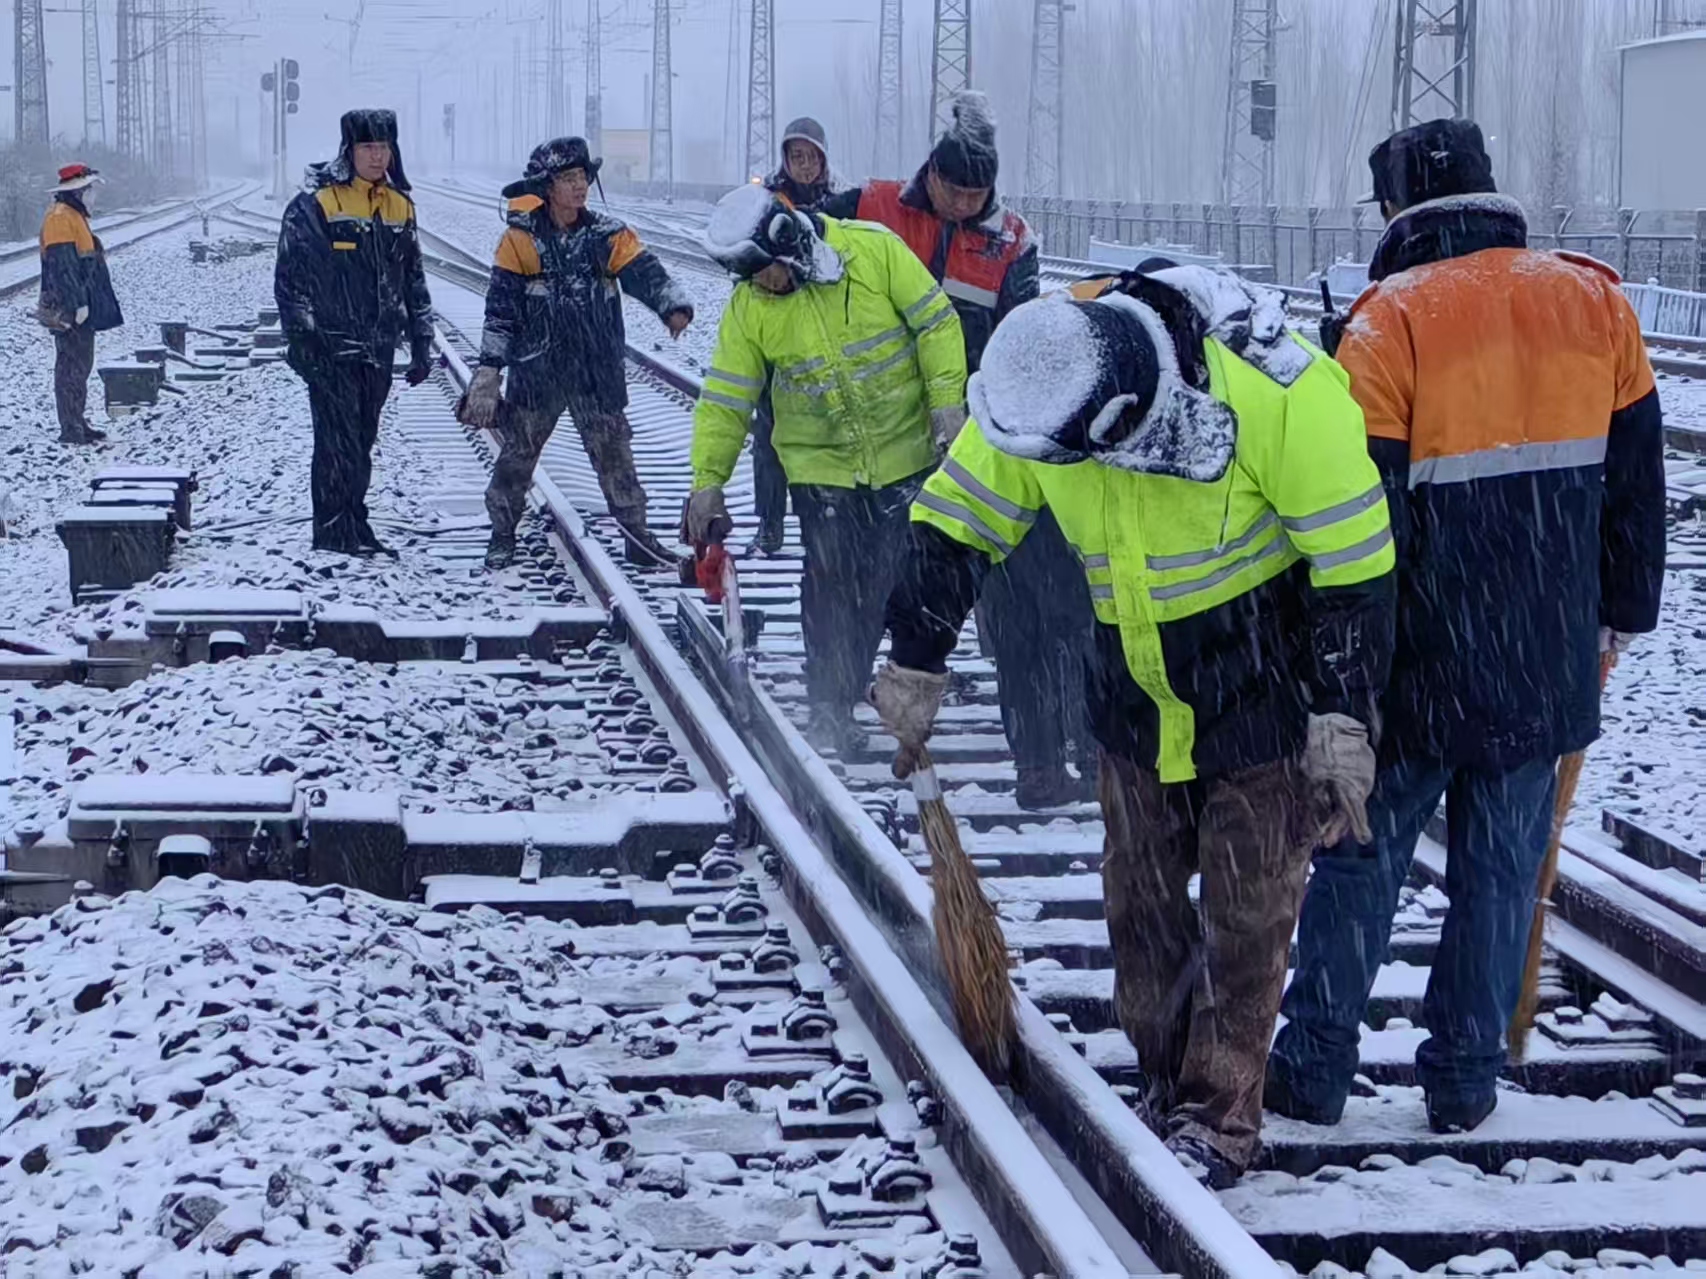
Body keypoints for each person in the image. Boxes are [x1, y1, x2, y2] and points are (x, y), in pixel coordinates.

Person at [873, 271, 1397, 1187]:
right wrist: (917, 653)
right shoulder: (1041, 394)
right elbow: (956, 525)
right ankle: (1165, 1081)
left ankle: (1219, 1118)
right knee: (1141, 911)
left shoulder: (1278, 393)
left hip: (1262, 685)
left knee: (1247, 920)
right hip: (1134, 696)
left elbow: (1354, 568)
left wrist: (1344, 715)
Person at [1267, 120, 1668, 1135]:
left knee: (1361, 858)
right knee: (1499, 875)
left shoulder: (1386, 322)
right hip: (1544, 653)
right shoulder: (1595, 302)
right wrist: (1619, 616)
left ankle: (1312, 1069)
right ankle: (1463, 1080)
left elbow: (1359, 521)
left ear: (1394, 208)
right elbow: (1636, 483)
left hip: (1418, 659)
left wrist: (1343, 673)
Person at [823, 91, 1087, 810]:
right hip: (880, 428)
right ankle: (841, 699)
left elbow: (1019, 332)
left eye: (978, 194)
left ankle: (1046, 752)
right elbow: (805, 235)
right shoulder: (873, 206)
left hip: (974, 431)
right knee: (871, 576)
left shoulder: (1011, 241)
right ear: (931, 175)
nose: (966, 204)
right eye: (954, 190)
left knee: (1019, 598)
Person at [686, 183, 967, 756]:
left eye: (766, 272)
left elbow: (936, 323)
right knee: (833, 591)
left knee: (900, 584)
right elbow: (726, 399)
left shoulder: (873, 251)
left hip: (906, 453)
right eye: (750, 277)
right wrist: (707, 482)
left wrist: (946, 404)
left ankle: (899, 691)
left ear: (789, 242)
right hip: (821, 467)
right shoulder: (749, 308)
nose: (763, 285)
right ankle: (830, 706)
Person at [462, 137, 693, 570]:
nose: (579, 185)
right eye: (568, 178)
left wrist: (671, 304)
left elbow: (646, 273)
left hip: (595, 372)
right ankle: (502, 533)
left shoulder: (609, 235)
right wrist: (489, 369)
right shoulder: (519, 241)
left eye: (583, 176)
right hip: (538, 371)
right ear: (546, 187)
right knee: (517, 458)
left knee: (616, 457)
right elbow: (500, 312)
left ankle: (637, 539)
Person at [275, 109, 435, 557]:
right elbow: (292, 278)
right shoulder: (319, 203)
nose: (377, 156)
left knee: (362, 439)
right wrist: (304, 340)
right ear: (349, 150)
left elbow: (413, 279)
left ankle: (355, 523)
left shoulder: (399, 205)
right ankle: (332, 531)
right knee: (336, 442)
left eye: (383, 147)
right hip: (330, 346)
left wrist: (421, 342)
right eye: (367, 147)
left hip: (378, 346)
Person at [745, 117, 838, 555]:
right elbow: (746, 261)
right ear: (785, 158)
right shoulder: (766, 203)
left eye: (811, 156)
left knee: (826, 430)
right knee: (769, 432)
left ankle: (824, 520)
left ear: (823, 158)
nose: (804, 165)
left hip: (828, 332)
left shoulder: (840, 204)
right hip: (779, 333)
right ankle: (769, 523)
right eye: (796, 156)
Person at [37, 163, 123, 445]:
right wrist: (77, 305)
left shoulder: (72, 215)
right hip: (68, 309)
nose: (93, 196)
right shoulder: (60, 218)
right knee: (70, 367)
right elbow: (63, 267)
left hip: (79, 305)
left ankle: (77, 421)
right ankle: (71, 428)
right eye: (90, 190)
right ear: (78, 192)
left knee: (80, 365)